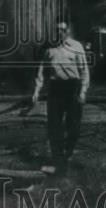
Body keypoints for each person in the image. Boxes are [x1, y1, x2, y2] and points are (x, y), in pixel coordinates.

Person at [30, 19, 90, 177]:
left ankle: (67, 154)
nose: (59, 33)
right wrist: (37, 91)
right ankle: (59, 164)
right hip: (56, 89)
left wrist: (83, 91)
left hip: (73, 88)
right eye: (57, 30)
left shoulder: (77, 47)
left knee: (74, 127)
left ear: (67, 31)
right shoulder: (49, 49)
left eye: (63, 30)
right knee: (54, 127)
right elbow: (41, 71)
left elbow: (84, 71)